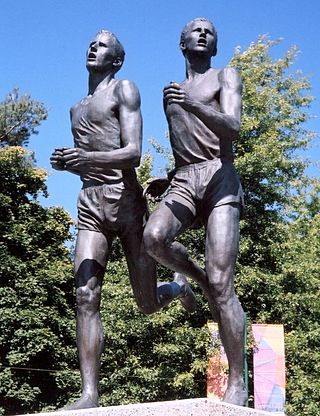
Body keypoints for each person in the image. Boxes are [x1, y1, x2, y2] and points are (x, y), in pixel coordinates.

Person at [50, 30, 196, 410]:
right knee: (85, 295)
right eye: (91, 43)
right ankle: (89, 395)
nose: (93, 46)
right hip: (90, 205)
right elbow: (90, 161)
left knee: (146, 304)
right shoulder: (76, 108)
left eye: (103, 46)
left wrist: (86, 160)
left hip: (126, 203)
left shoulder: (124, 89)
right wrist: (69, 165)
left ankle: (178, 287)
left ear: (116, 60)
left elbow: (132, 153)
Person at [143, 18, 247, 406]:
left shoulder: (225, 75)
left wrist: (195, 104)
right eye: (195, 30)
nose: (203, 33)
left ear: (214, 46)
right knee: (153, 239)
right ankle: (193, 281)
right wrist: (169, 175)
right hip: (186, 178)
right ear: (182, 42)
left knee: (224, 285)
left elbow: (232, 127)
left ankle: (237, 382)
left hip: (221, 177)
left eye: (210, 31)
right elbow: (186, 142)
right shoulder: (170, 93)